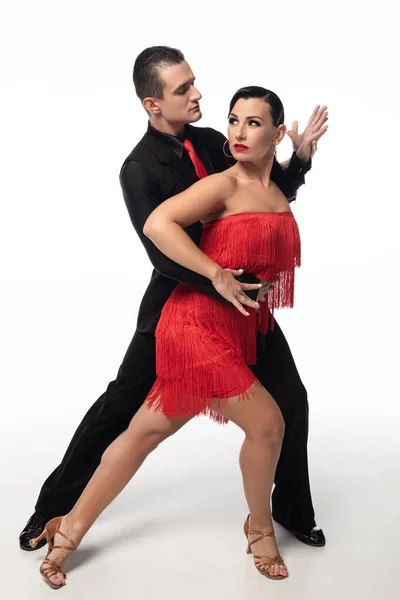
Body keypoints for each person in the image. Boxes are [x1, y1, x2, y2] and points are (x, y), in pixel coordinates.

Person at [20, 46, 327, 555]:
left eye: (194, 82)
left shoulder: (214, 142)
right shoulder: (138, 168)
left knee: (292, 399)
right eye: (182, 89)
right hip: (180, 305)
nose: (197, 94)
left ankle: (292, 511)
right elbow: (161, 254)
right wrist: (219, 280)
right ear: (152, 104)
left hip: (242, 305)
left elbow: (263, 193)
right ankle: (49, 511)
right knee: (122, 408)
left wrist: (301, 159)